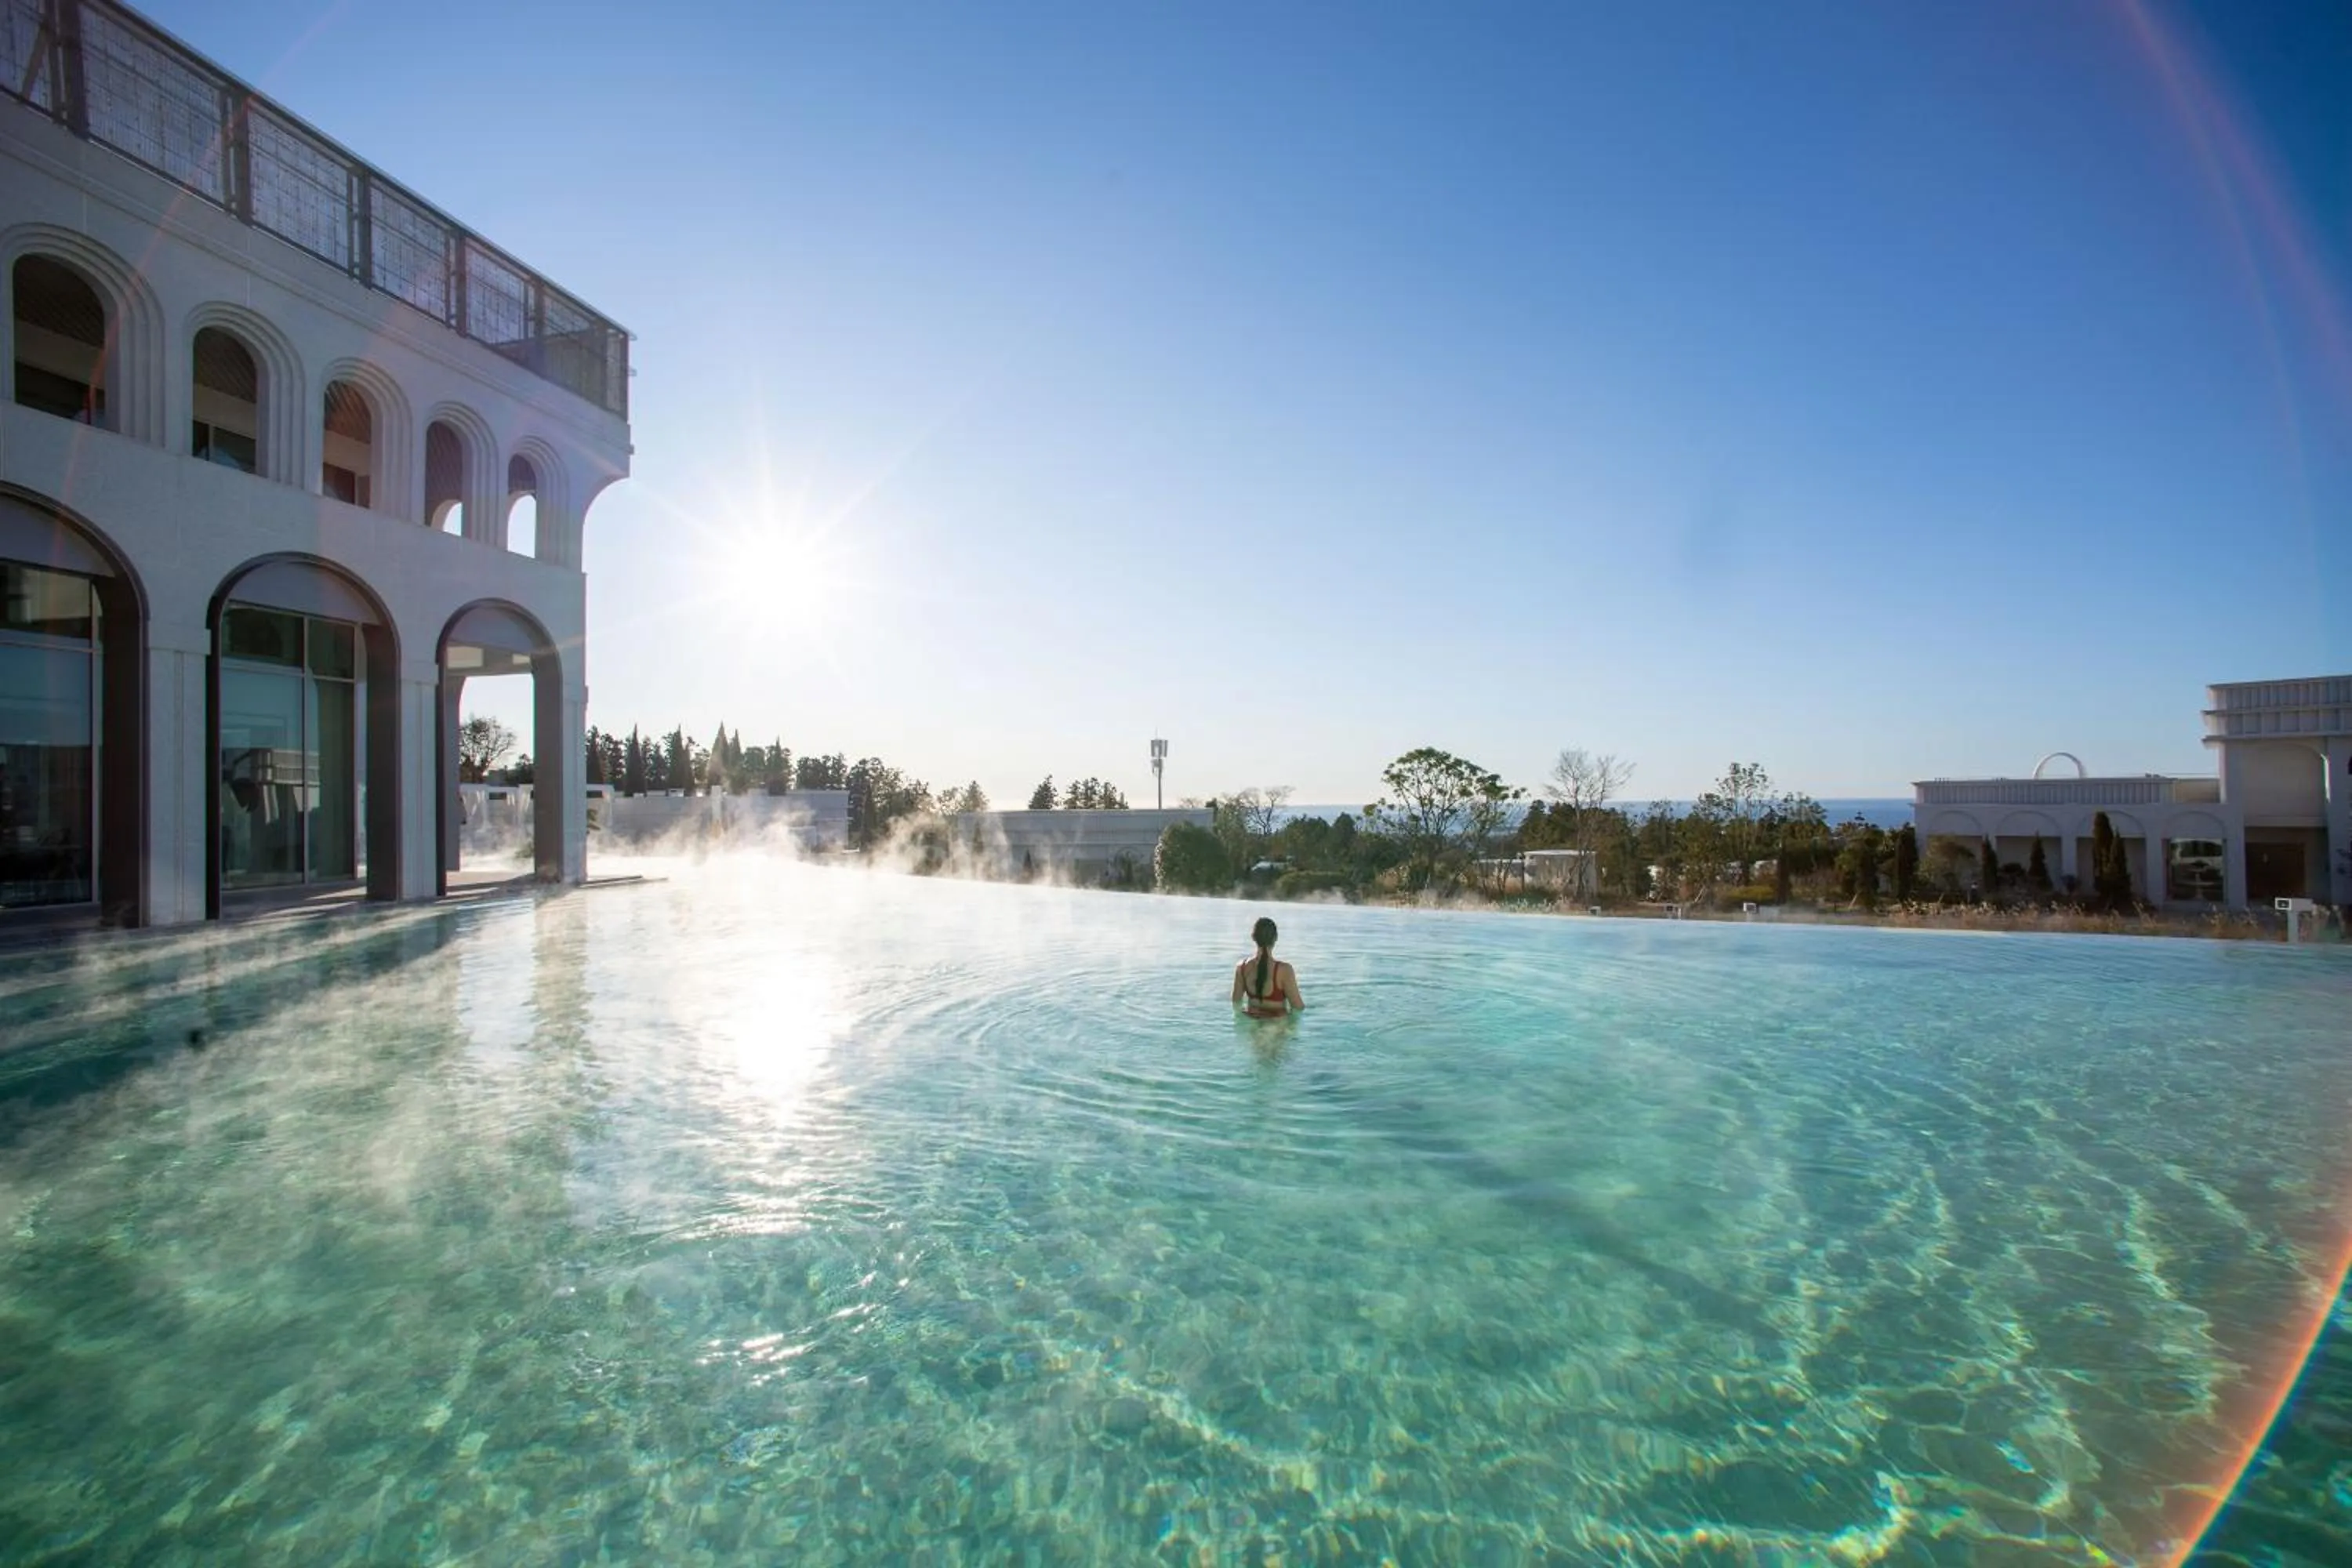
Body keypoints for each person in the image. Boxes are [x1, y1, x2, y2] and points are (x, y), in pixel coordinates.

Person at [1232, 916, 1303, 1019]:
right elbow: (1298, 1007)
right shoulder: (1284, 970)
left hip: (1252, 1024)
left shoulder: (1242, 967)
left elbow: (1236, 1003)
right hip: (1278, 1024)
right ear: (1276, 938)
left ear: (1253, 937)